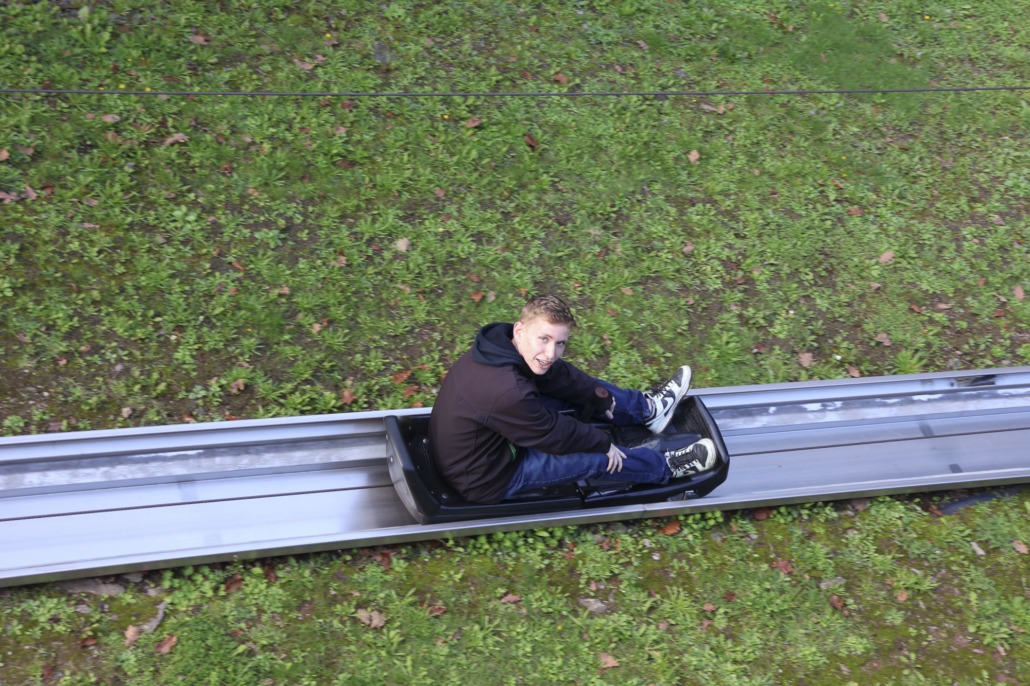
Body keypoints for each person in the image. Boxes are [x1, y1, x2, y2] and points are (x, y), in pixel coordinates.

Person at [428, 294, 717, 504]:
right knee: (595, 459)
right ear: (520, 329)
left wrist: (596, 396)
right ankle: (667, 467)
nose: (550, 352)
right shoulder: (508, 391)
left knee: (581, 389)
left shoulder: (502, 348)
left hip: (492, 441)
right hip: (487, 476)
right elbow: (552, 434)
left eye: (560, 343)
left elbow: (560, 375)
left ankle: (649, 410)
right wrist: (602, 443)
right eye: (544, 339)